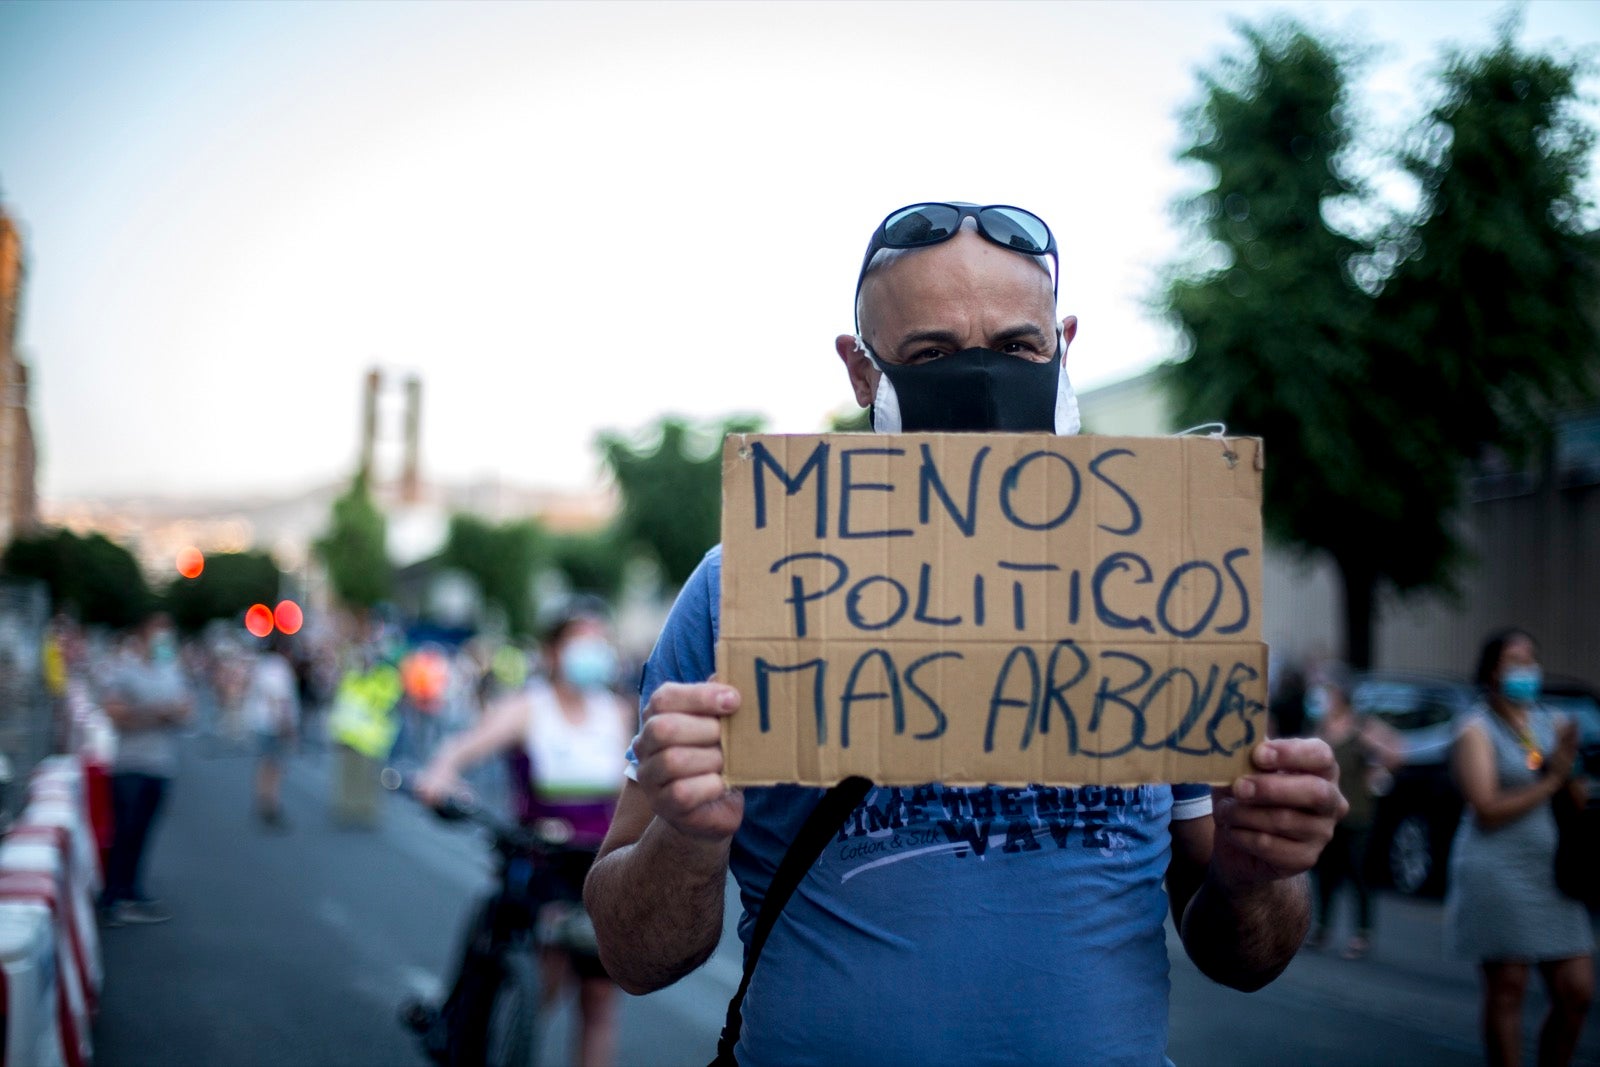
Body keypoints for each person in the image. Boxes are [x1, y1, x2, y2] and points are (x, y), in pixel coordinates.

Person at [584, 201, 1348, 1065]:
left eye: (1018, 347)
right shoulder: (749, 582)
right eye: (933, 353)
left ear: (1063, 345)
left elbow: (1245, 955)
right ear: (862, 371)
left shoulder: (1162, 584)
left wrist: (1257, 872)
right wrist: (686, 836)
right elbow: (632, 954)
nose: (983, 382)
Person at [417, 599, 633, 1067]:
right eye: (582, 642)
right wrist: (440, 773)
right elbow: (462, 747)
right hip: (544, 863)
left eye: (601, 641)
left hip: (603, 865)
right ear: (552, 651)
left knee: (599, 1000)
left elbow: (636, 791)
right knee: (543, 986)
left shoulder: (616, 712)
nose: (594, 652)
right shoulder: (528, 707)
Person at [1447, 628, 1594, 1067]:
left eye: (1531, 659)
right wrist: (1550, 779)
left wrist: (1567, 770)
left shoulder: (1550, 723)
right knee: (1507, 987)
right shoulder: (1474, 729)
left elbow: (1578, 799)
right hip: (1497, 868)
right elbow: (1486, 806)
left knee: (1577, 990)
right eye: (1515, 660)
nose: (1526, 669)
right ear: (1493, 670)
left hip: (1551, 871)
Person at [100, 613, 193, 925]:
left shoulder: (172, 673)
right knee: (124, 833)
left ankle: (132, 890)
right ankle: (113, 897)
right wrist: (156, 713)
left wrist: (154, 714)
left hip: (160, 766)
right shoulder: (126, 672)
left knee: (142, 834)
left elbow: (185, 711)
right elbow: (115, 713)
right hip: (130, 766)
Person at [1307, 665, 1401, 960]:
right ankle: (1322, 929)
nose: (1324, 700)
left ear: (1341, 697)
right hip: (1325, 813)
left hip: (1357, 813)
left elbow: (1397, 752)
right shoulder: (1321, 728)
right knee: (1324, 874)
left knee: (1358, 873)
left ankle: (1362, 933)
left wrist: (1377, 761)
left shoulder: (1361, 727)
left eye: (1329, 694)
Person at [245, 633, 300, 829]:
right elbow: (278, 699)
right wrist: (285, 726)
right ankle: (271, 803)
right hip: (273, 724)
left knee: (265, 763)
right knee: (274, 766)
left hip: (261, 722)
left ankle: (262, 800)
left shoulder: (262, 664)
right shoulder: (278, 667)